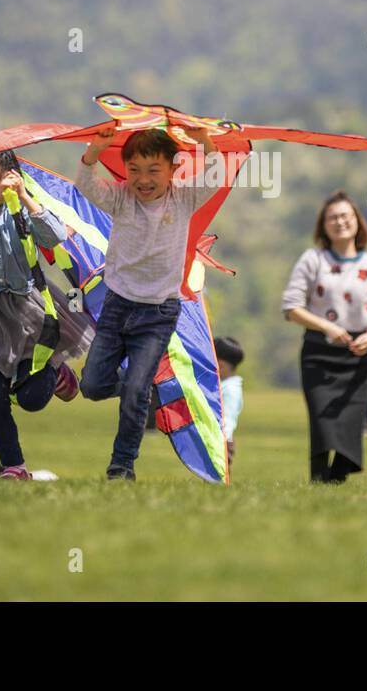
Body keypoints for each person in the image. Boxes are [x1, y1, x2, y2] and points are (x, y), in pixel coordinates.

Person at [75, 124, 232, 481]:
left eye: (153, 170)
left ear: (174, 169)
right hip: (117, 307)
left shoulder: (184, 198)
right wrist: (94, 151)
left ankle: (122, 465)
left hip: (158, 313)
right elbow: (85, 184)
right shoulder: (119, 197)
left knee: (134, 391)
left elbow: (216, 173)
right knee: (92, 386)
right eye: (134, 170)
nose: (143, 180)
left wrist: (204, 141)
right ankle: (141, 390)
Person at [0, 147, 86, 480]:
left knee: (32, 398)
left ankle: (55, 370)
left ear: (5, 176)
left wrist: (23, 196)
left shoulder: (20, 211)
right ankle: (15, 465)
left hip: (28, 315)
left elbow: (53, 236)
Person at [282, 191, 367, 483]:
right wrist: (327, 328)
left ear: (357, 222)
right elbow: (291, 307)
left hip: (359, 354)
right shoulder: (313, 260)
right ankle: (317, 477)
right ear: (323, 225)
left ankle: (335, 481)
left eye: (345, 216)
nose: (340, 222)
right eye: (332, 217)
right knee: (322, 418)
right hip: (318, 352)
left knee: (351, 423)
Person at [215, 336, 245, 467]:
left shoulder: (231, 390)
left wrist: (220, 439)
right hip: (218, 439)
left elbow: (228, 418)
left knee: (218, 477)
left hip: (222, 441)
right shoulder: (224, 386)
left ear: (220, 365)